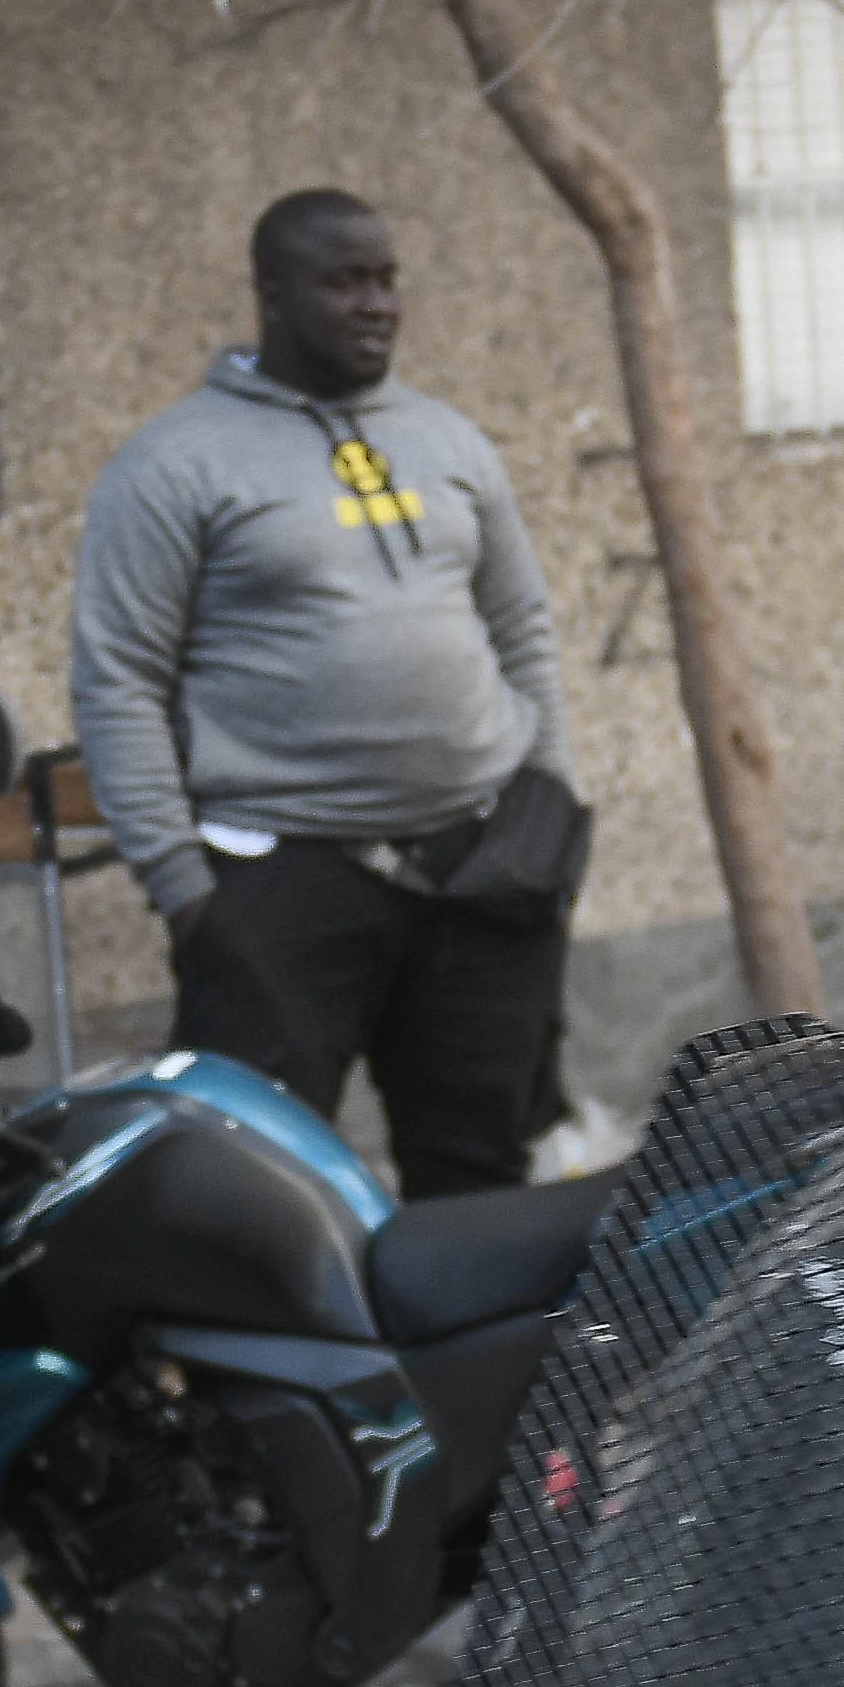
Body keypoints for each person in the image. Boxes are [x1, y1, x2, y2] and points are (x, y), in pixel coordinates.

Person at [70, 188, 585, 1199]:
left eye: (386, 277)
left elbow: (521, 627)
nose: (376, 303)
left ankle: (469, 1365)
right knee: (254, 1180)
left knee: (481, 1174)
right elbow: (117, 678)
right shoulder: (173, 462)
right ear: (270, 295)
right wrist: (184, 892)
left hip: (483, 869)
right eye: (343, 281)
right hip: (279, 881)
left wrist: (549, 804)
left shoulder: (448, 440)